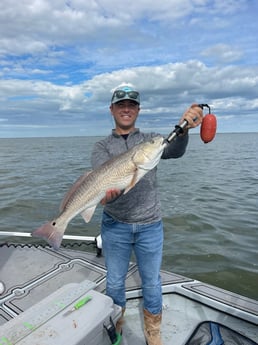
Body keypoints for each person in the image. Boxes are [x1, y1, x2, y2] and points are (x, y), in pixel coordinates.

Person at [91, 85, 203, 345]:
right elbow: (103, 179)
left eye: (131, 105)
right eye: (121, 105)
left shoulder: (151, 139)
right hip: (115, 226)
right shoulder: (101, 146)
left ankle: (153, 330)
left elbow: (174, 150)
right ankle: (116, 324)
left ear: (138, 110)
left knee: (152, 282)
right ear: (112, 110)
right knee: (115, 282)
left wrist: (184, 127)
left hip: (150, 225)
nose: (126, 109)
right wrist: (109, 194)